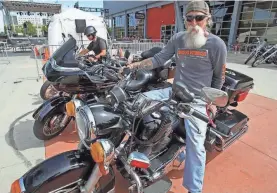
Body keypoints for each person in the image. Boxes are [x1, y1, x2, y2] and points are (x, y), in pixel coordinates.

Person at [122, 1, 227, 193]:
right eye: (189, 18)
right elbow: (159, 59)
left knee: (196, 146)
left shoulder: (217, 45)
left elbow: (219, 77)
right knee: (137, 101)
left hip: (196, 101)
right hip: (173, 92)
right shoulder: (178, 39)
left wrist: (210, 102)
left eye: (199, 18)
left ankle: (194, 189)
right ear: (185, 20)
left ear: (208, 19)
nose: (194, 22)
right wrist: (133, 66)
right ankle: (140, 145)